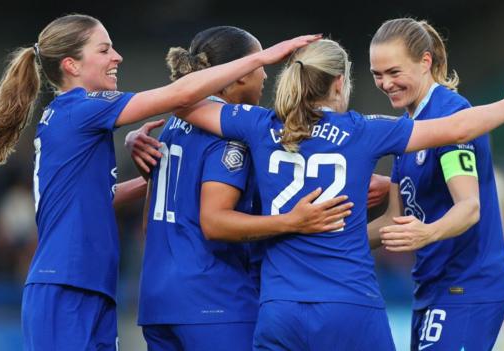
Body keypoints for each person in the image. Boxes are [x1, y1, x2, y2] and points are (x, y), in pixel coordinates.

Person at [0, 13, 320, 351]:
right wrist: (266, 55)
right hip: (67, 285)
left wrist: (154, 172)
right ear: (72, 65)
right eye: (103, 50)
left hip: (89, 285)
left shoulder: (71, 118)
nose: (116, 57)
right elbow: (180, 96)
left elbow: (90, 198)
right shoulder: (82, 107)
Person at [159, 38, 504, 350]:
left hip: (280, 309)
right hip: (350, 305)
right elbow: (456, 129)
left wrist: (259, 58)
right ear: (340, 83)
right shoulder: (364, 131)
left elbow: (182, 100)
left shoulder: (258, 124)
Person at [128, 26, 353, 351]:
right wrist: (294, 221)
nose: (265, 75)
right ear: (237, 76)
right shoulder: (230, 134)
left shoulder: (171, 129)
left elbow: (149, 224)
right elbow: (215, 222)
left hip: (159, 301)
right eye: (257, 65)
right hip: (215, 301)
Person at [366, 18, 504, 351]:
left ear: (425, 62)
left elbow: (469, 207)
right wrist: (322, 243)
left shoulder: (451, 117)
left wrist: (427, 232)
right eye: (377, 75)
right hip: (431, 287)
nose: (385, 84)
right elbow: (394, 218)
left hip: (466, 287)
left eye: (394, 72)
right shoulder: (412, 127)